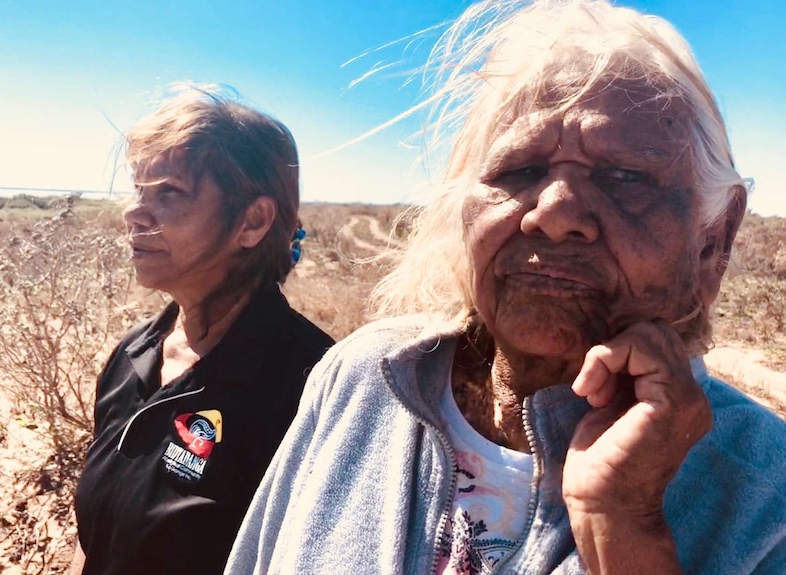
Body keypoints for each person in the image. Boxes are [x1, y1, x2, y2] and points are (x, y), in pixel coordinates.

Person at [224, 1, 786, 574]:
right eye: (519, 169)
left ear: (714, 238)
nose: (554, 212)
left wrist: (626, 526)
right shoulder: (363, 377)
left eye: (626, 177)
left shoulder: (769, 500)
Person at [70, 84, 334, 575]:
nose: (134, 212)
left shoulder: (312, 388)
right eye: (138, 189)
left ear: (252, 222)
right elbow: (94, 538)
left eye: (169, 191)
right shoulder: (134, 354)